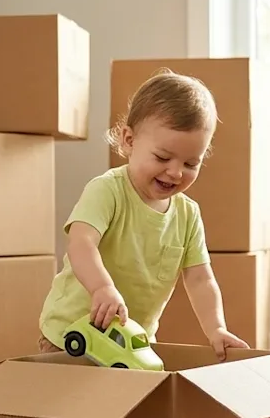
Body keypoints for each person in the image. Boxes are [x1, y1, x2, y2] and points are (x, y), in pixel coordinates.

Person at [37, 69, 249, 361]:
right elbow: (81, 242)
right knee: (71, 404)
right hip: (72, 333)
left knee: (120, 405)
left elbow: (200, 279)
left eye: (191, 163)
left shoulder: (187, 215)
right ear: (129, 140)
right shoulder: (107, 190)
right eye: (162, 158)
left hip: (132, 340)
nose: (175, 172)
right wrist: (102, 288)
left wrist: (216, 329)